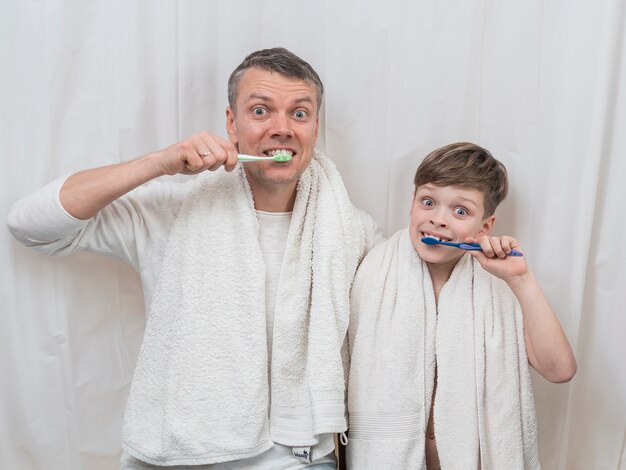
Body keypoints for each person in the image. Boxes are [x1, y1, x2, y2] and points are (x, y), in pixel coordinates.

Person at [8, 47, 382, 469]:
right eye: (261, 111)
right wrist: (159, 163)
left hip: (299, 457)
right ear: (231, 124)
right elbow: (30, 226)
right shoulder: (174, 209)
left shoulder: (350, 231)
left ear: (315, 126)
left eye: (299, 113)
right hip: (178, 456)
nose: (282, 129)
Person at [345, 142, 576, 469]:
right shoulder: (371, 272)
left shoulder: (500, 286)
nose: (438, 220)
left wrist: (521, 280)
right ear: (411, 205)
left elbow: (559, 370)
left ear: (485, 227)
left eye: (460, 210)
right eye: (428, 202)